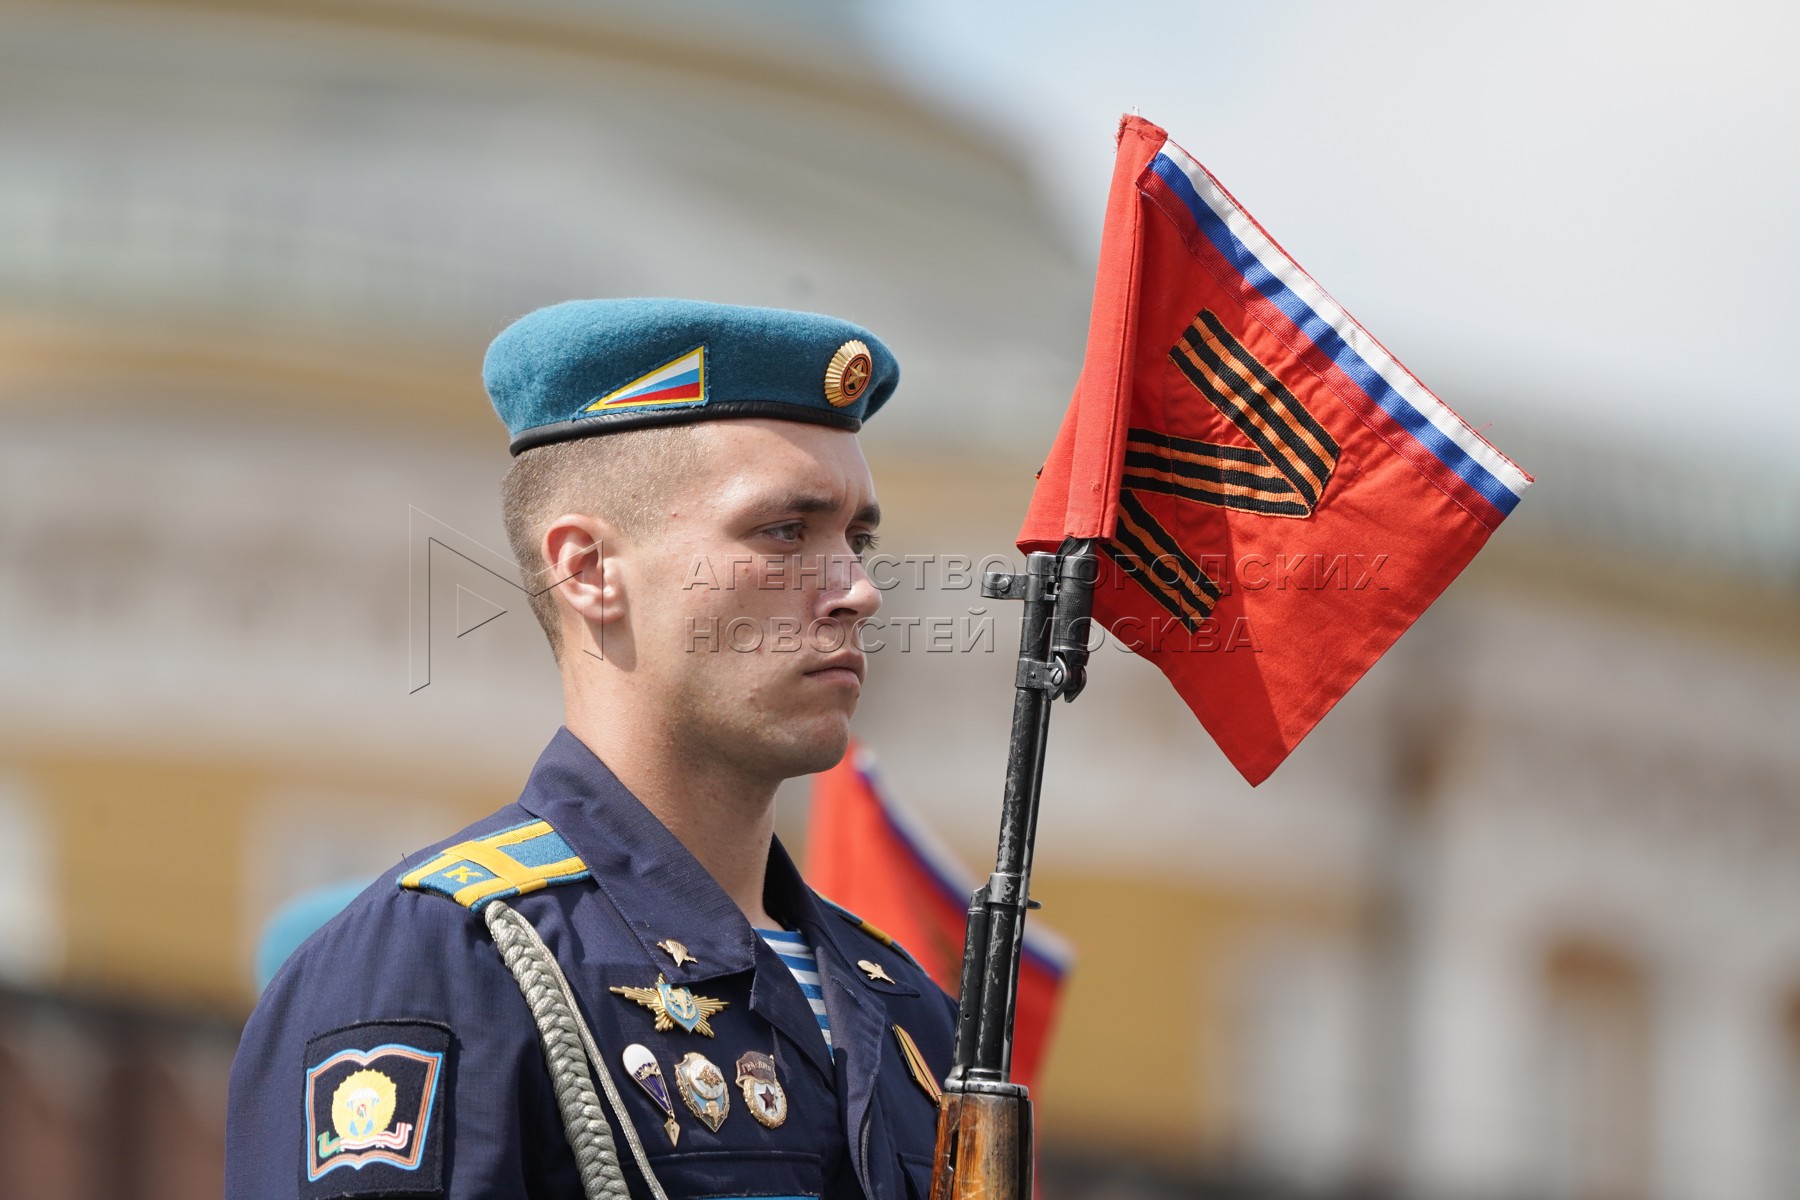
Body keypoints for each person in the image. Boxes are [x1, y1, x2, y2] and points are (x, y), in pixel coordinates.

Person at [226, 299, 958, 1200]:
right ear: (588, 571)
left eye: (859, 539)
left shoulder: (910, 1013)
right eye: (784, 532)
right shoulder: (441, 967)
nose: (856, 590)